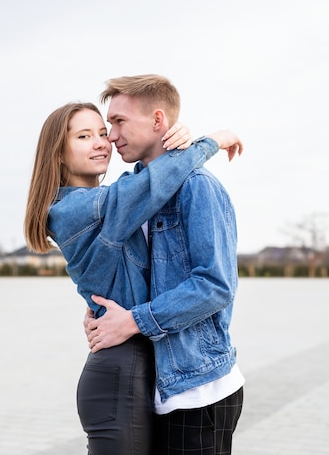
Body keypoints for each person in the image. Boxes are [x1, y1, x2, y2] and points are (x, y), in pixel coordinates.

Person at [24, 100, 242, 455]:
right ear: (58, 154)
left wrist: (178, 138)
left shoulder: (116, 196)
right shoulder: (76, 209)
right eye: (84, 136)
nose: (102, 141)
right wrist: (213, 140)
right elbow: (151, 184)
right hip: (118, 376)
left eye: (102, 132)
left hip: (142, 371)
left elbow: (151, 180)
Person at [86, 74, 244, 455]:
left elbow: (216, 285)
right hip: (150, 387)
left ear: (158, 121)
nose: (110, 135)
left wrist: (133, 321)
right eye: (109, 124)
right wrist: (100, 313)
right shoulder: (130, 189)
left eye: (119, 121)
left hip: (198, 390)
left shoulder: (198, 187)